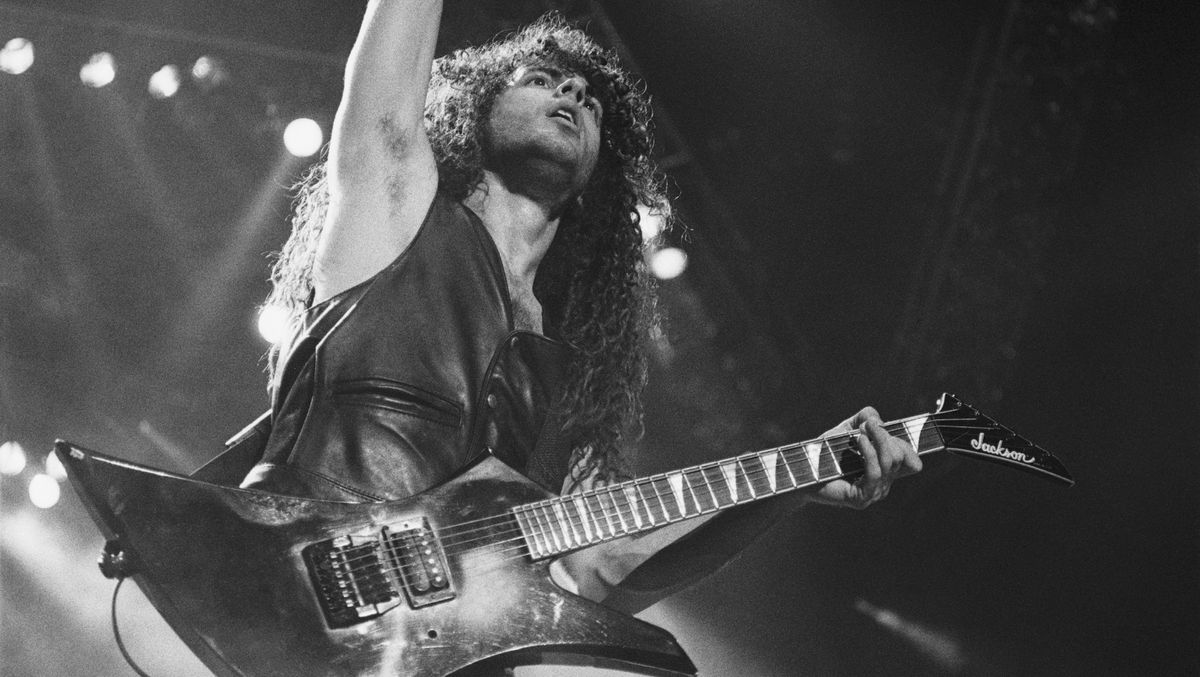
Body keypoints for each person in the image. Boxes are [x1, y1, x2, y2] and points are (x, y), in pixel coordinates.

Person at [211, 0, 921, 672]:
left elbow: (602, 570)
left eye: (589, 100)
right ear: (474, 110)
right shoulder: (395, 212)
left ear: (590, 185)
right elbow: (390, 89)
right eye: (544, 80)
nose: (574, 95)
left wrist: (796, 483)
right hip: (287, 598)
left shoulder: (567, 377)